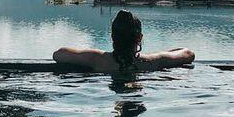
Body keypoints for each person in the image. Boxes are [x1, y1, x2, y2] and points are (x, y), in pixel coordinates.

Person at [53, 10, 195, 74]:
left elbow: (58, 54)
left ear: (112, 37)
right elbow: (188, 53)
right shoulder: (153, 61)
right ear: (139, 38)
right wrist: (164, 54)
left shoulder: (98, 59)